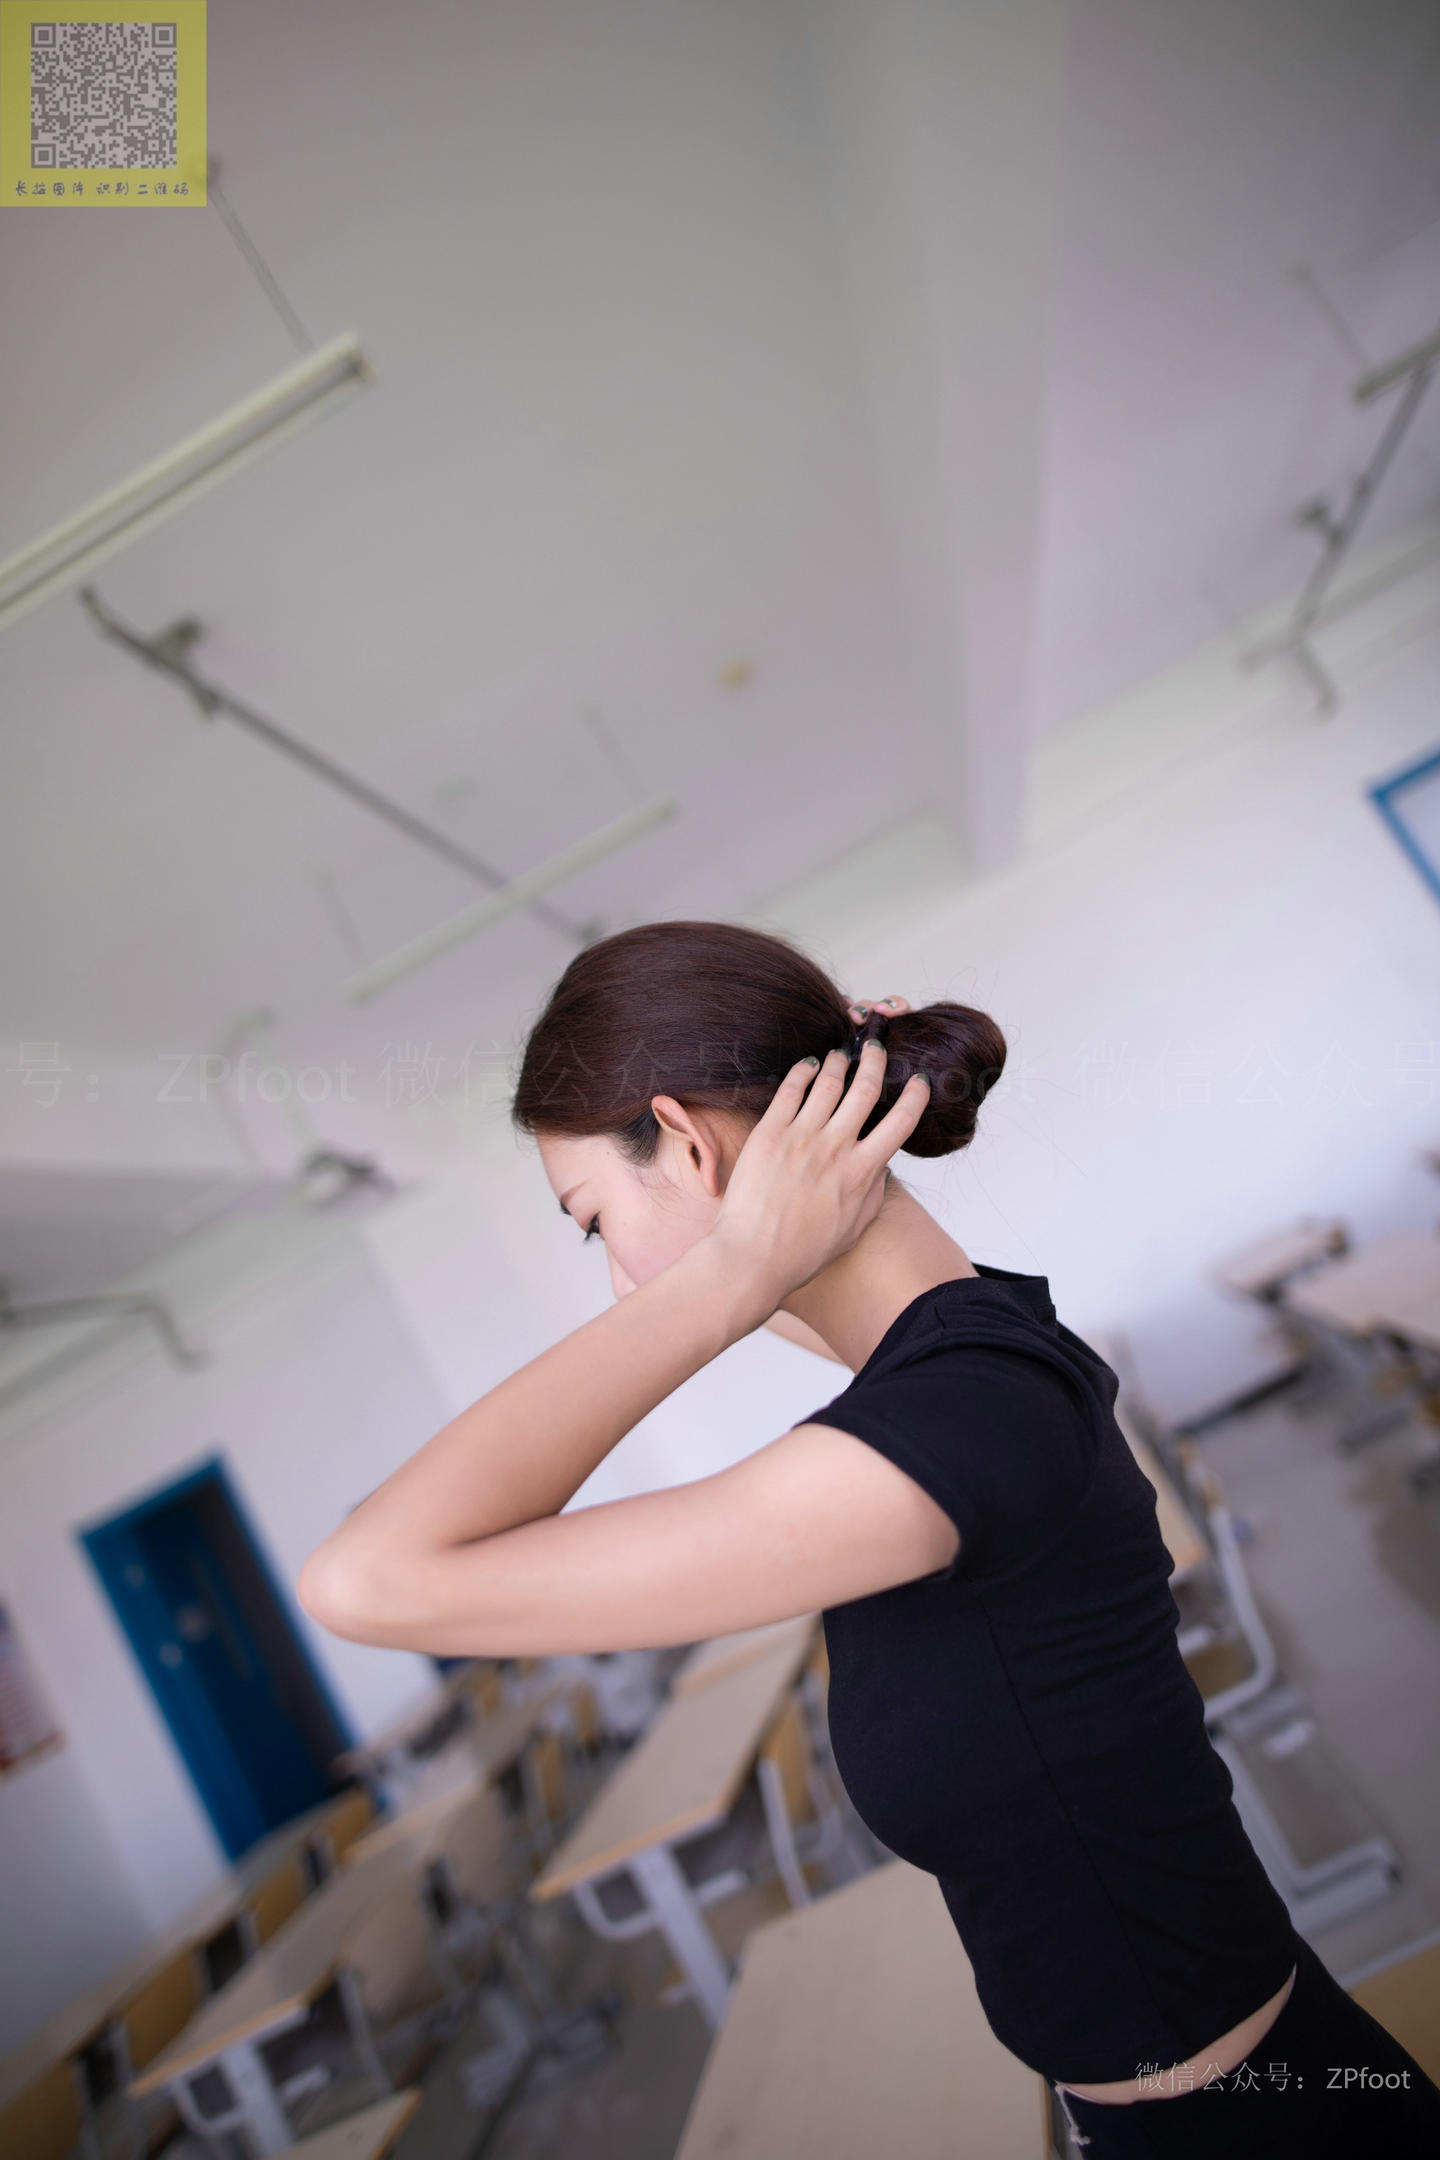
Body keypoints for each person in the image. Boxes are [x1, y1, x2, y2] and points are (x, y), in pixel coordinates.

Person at [298, 919, 1440, 2156]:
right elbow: (845, 1295)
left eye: (591, 1221)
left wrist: (732, 1267)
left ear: (687, 1141)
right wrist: (767, 1226)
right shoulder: (976, 1357)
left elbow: (368, 1579)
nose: (620, 1280)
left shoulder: (954, 1426)